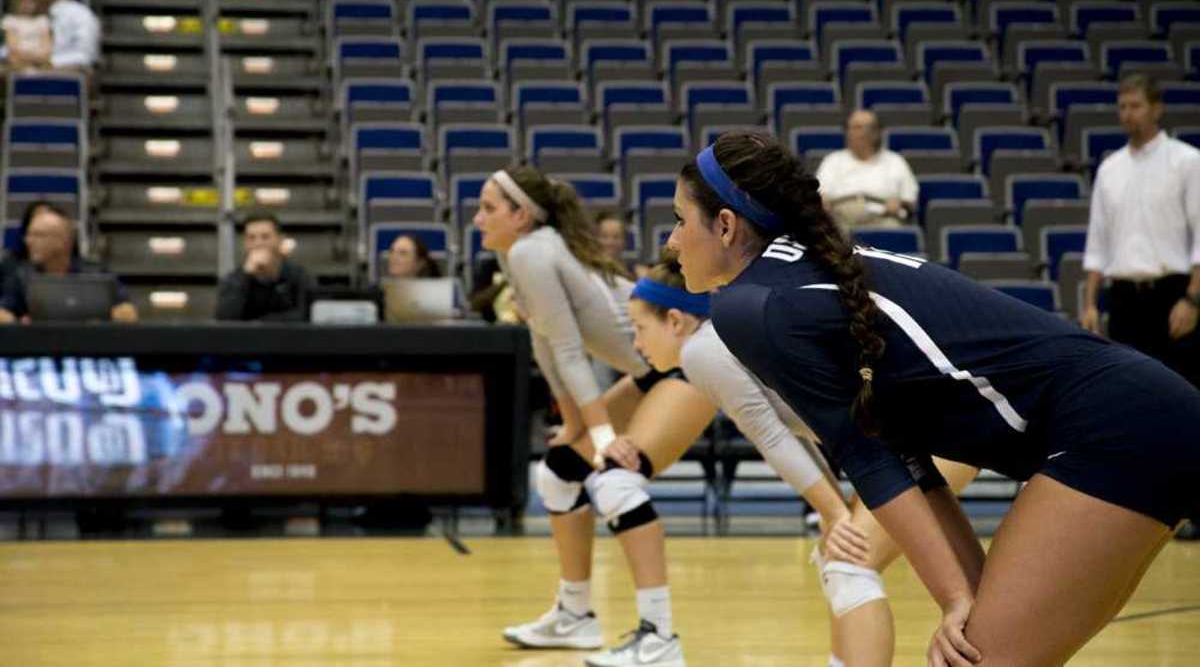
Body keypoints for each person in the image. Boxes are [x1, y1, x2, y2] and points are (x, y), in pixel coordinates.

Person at [668, 130, 1200, 666]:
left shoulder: (750, 306)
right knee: (975, 650)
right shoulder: (805, 269)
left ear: (726, 225)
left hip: (1115, 429)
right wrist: (963, 596)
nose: (671, 242)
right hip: (1146, 412)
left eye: (679, 220)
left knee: (971, 657)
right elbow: (906, 460)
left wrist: (955, 599)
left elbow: (867, 458)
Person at [629, 258, 980, 667]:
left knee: (850, 566)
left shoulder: (702, 350)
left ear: (674, 320)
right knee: (847, 564)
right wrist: (831, 511)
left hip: (935, 439)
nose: (635, 342)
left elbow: (771, 437)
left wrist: (833, 514)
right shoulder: (719, 340)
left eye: (639, 328)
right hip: (934, 436)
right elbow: (796, 434)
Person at [478, 165, 711, 665]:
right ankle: (575, 615)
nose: (477, 218)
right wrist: (578, 426)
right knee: (559, 474)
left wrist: (601, 433)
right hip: (653, 367)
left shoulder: (531, 252)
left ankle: (660, 636)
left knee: (614, 481)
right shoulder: (522, 254)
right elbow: (546, 348)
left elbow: (567, 350)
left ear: (521, 216)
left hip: (688, 360)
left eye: (489, 208)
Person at [1081, 73, 1200, 387]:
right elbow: (1098, 244)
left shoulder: (1187, 161)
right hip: (1123, 301)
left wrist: (1193, 300)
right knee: (1131, 392)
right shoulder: (1109, 169)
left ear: (1156, 109)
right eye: (1122, 107)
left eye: (1135, 105)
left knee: (1182, 389)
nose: (1127, 114)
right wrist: (1090, 305)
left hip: (1172, 295)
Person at [0, 204, 137, 323]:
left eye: (38, 235)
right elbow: (3, 313)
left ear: (62, 241)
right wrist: (18, 322)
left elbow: (128, 312)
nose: (28, 241)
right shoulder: (21, 276)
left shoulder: (96, 274)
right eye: (29, 235)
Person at [815, 110, 918, 231]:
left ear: (876, 132)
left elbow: (910, 199)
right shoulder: (833, 160)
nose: (854, 132)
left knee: (893, 227)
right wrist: (822, 200)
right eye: (853, 127)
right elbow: (819, 195)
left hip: (882, 216)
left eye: (863, 128)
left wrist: (900, 203)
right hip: (841, 217)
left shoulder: (895, 161)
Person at [215, 213, 310, 321]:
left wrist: (260, 323)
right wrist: (245, 275)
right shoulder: (233, 280)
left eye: (265, 237)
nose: (258, 243)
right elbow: (224, 319)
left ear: (280, 240)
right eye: (251, 238)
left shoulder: (299, 276)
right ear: (244, 243)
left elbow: (307, 315)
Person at [27, 0, 100, 73]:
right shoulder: (31, 15)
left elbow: (86, 55)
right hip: (31, 71)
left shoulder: (80, 14)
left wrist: (49, 64)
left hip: (66, 76)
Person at [1, 0, 53, 71]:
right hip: (17, 61)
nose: (26, 3)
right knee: (11, 59)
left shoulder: (42, 20)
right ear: (15, 1)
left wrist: (36, 58)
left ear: (37, 1)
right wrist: (27, 58)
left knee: (49, 63)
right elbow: (13, 47)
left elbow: (47, 47)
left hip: (40, 60)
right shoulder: (10, 20)